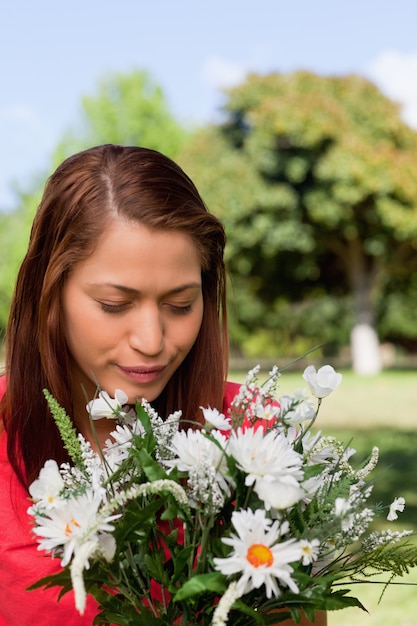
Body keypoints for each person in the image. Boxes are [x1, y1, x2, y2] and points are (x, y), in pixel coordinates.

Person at [0, 144, 326, 626]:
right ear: (50, 294)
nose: (152, 341)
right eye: (114, 304)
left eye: (180, 305)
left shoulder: (255, 434)